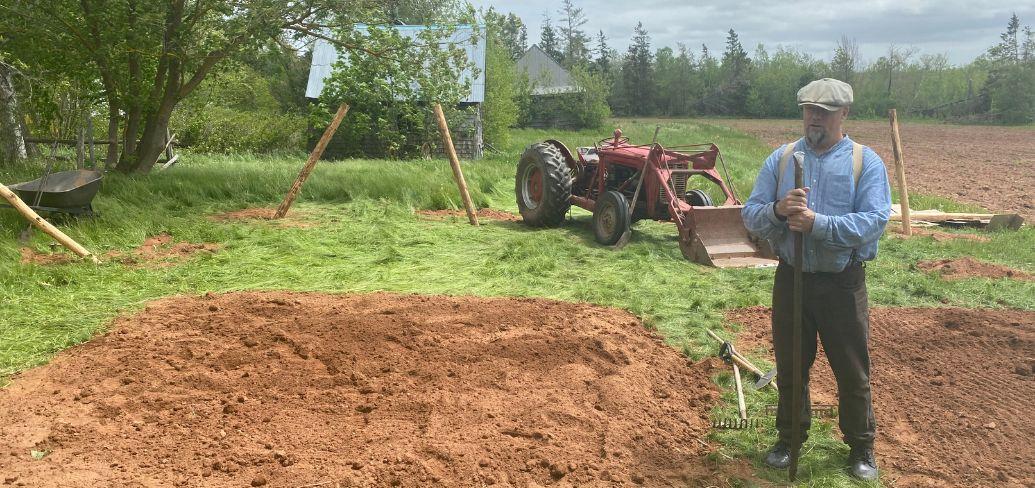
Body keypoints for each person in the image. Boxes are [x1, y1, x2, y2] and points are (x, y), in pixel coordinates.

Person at [741, 78, 892, 481]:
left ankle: (861, 446)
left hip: (842, 283)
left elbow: (874, 221)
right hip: (791, 279)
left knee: (852, 370)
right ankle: (789, 439)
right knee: (791, 366)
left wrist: (818, 224)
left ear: (844, 113)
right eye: (809, 109)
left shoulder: (865, 162)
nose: (814, 118)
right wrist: (776, 209)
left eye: (823, 111)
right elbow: (750, 214)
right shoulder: (782, 159)